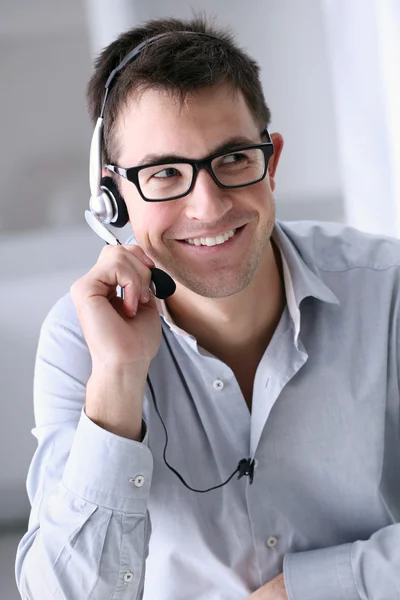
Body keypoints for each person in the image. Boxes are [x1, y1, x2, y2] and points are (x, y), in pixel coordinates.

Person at [15, 14, 400, 600]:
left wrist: (303, 591)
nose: (209, 206)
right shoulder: (82, 341)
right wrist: (117, 386)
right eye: (165, 173)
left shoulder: (388, 289)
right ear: (112, 196)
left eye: (233, 160)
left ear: (270, 162)